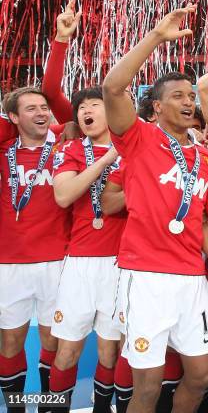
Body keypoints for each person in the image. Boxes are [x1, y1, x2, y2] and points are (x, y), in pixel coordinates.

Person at [102, 4, 208, 413]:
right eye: (176, 96)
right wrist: (156, 38)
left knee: (199, 375)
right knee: (146, 386)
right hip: (145, 276)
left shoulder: (206, 158)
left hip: (191, 277)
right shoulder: (140, 139)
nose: (186, 101)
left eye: (189, 96)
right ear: (157, 107)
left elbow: (201, 220)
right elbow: (112, 88)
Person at [49, 86, 124, 411]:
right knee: (67, 350)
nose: (86, 111)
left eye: (95, 105)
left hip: (121, 263)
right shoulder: (71, 150)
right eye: (81, 108)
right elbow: (64, 195)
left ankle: (102, 407)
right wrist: (108, 157)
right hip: (80, 262)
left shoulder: (134, 147)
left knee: (110, 351)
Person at [0, 88, 71, 411]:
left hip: (56, 261)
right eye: (31, 109)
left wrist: (59, 41)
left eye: (44, 107)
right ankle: (15, 408)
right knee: (10, 342)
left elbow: (61, 103)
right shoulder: (3, 149)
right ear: (13, 118)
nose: (42, 113)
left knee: (52, 341)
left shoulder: (63, 144)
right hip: (9, 262)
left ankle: (46, 406)